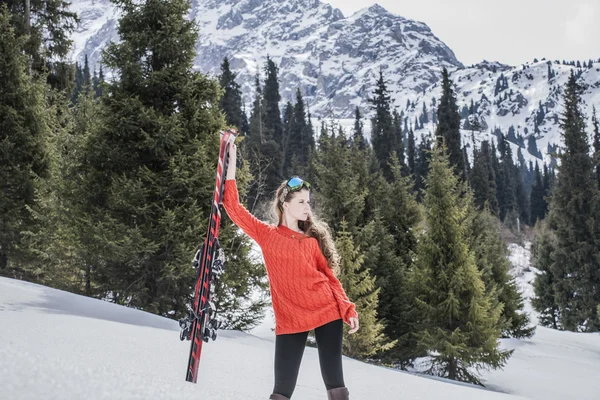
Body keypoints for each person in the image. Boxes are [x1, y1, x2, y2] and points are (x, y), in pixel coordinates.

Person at [222, 134, 359, 400]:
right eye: (301, 202)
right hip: (290, 317)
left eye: (308, 202)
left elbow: (330, 278)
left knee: (335, 384)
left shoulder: (311, 241)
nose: (308, 207)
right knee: (282, 390)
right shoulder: (267, 234)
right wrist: (231, 162)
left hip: (325, 310)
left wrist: (347, 307)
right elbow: (233, 207)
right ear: (285, 204)